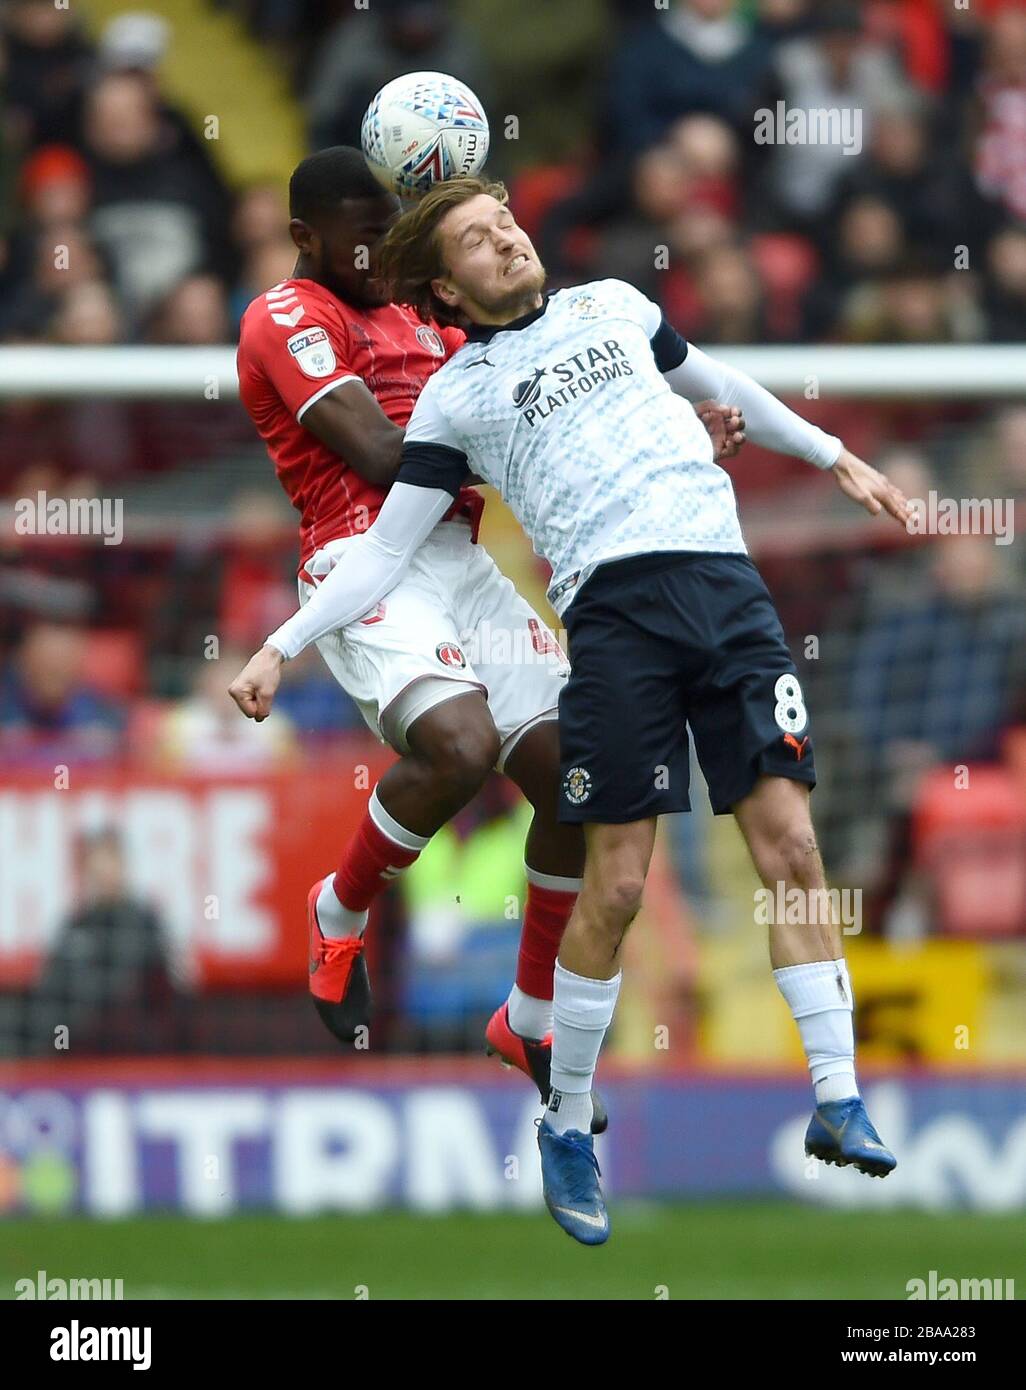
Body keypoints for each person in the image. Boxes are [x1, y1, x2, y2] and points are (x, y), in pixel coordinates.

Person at [231, 176, 909, 1245]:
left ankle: (837, 1095)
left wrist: (833, 455)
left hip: (731, 594)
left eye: (505, 219)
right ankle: (563, 1120)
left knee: (795, 846)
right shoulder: (459, 393)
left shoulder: (616, 306)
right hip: (617, 621)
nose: (505, 238)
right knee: (622, 876)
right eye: (476, 238)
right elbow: (386, 549)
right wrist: (280, 647)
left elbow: (713, 377)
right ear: (447, 283)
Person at [233, 147, 744, 1118]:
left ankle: (528, 1013)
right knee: (460, 745)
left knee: (571, 770)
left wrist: (669, 432)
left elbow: (527, 411)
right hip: (363, 557)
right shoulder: (287, 317)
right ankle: (338, 911)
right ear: (307, 237)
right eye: (358, 233)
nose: (376, 248)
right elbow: (388, 453)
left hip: (461, 559)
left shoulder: (423, 323)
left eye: (391, 228)